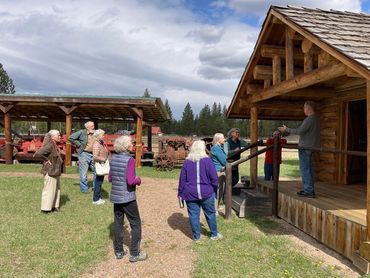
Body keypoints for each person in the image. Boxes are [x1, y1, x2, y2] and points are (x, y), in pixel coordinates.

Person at [108, 135, 147, 262]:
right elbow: (131, 180)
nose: (133, 145)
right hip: (128, 197)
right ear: (125, 146)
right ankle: (135, 254)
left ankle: (119, 251)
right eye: (131, 144)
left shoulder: (113, 158)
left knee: (118, 224)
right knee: (135, 224)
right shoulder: (129, 160)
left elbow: (110, 178)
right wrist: (139, 179)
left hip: (116, 197)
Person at [178, 140, 223, 241]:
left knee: (193, 215)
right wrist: (213, 190)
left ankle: (196, 237)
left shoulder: (187, 162)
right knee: (210, 213)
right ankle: (214, 234)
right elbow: (214, 178)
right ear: (203, 149)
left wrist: (180, 193)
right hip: (206, 192)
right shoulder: (207, 161)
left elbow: (182, 180)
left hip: (190, 193)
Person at [278, 101, 320, 198]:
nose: (303, 110)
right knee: (310, 169)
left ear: (308, 108)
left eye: (304, 108)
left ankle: (308, 191)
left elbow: (300, 131)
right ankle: (310, 189)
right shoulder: (317, 119)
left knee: (305, 169)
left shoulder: (309, 119)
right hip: (312, 147)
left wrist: (286, 129)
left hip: (305, 148)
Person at [34, 130, 63, 213]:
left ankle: (54, 206)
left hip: (55, 171)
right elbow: (38, 153)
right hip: (50, 171)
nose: (60, 137)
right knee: (49, 190)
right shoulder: (50, 145)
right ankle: (46, 209)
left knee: (56, 189)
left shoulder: (55, 145)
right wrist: (46, 160)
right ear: (52, 137)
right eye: (58, 135)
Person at [68, 121, 96, 193]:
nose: (93, 127)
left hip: (94, 154)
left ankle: (95, 188)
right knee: (83, 173)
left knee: (96, 171)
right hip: (84, 154)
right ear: (87, 127)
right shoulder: (82, 132)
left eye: (93, 126)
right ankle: (84, 189)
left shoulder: (96, 133)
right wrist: (79, 145)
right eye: (92, 126)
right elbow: (71, 138)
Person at [92, 129, 109, 205]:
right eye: (102, 135)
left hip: (101, 164)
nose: (104, 136)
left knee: (99, 182)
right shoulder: (96, 144)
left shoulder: (101, 143)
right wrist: (104, 159)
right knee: (98, 182)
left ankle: (98, 197)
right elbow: (95, 157)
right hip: (99, 165)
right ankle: (96, 199)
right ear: (98, 136)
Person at [210, 133, 227, 208]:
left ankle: (216, 206)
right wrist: (230, 164)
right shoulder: (217, 148)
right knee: (218, 189)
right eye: (223, 138)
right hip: (219, 171)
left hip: (217, 170)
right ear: (218, 139)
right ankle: (214, 207)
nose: (224, 139)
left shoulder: (216, 147)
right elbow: (223, 161)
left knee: (218, 189)